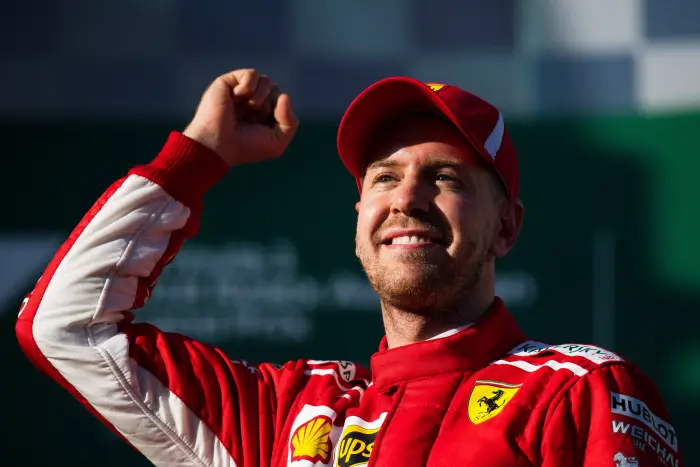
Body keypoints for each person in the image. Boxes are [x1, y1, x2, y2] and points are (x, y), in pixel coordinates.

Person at [16, 68, 682, 467]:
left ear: (505, 227)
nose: (407, 198)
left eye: (443, 176)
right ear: (361, 222)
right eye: (385, 176)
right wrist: (196, 156)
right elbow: (67, 327)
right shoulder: (282, 416)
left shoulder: (578, 392)